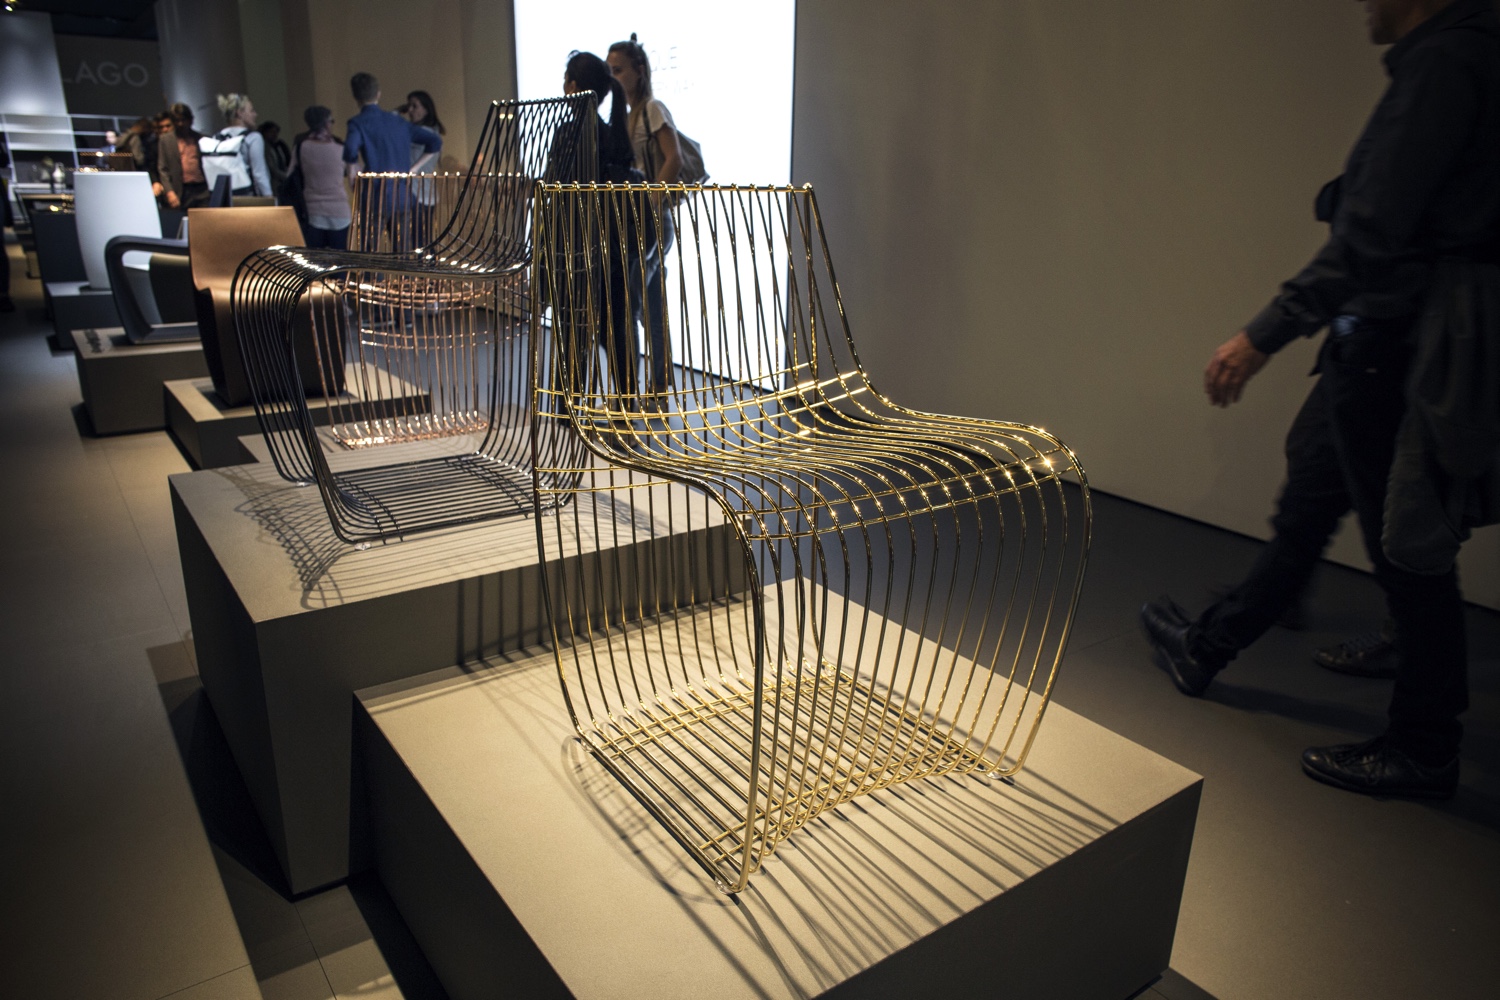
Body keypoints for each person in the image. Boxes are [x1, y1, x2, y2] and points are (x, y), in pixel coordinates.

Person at [1140, 0, 1500, 800]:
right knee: (1312, 491)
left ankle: (1424, 746)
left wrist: (1263, 334)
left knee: (1406, 553)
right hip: (1382, 338)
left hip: (1398, 344)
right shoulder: (1458, 55)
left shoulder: (1447, 61)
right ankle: (1209, 647)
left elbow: (1371, 231)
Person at [549, 51, 642, 397]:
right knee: (614, 330)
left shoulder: (568, 135)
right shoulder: (612, 135)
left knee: (572, 330)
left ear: (573, 87)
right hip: (611, 249)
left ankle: (570, 408)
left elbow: (556, 190)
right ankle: (626, 404)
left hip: (574, 249)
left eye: (566, 81)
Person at [607, 34, 681, 393]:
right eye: (609, 71)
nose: (613, 77)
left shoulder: (652, 109)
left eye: (618, 70)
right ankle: (657, 383)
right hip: (636, 220)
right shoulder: (623, 115)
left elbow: (674, 157)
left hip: (652, 220)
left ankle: (638, 388)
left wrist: (651, 199)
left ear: (639, 70)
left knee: (632, 301)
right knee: (651, 306)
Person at [343, 72, 441, 251]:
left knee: (369, 250)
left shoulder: (358, 123)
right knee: (402, 251)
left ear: (355, 96)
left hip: (374, 196)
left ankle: (372, 271)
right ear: (378, 94)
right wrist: (413, 169)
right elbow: (435, 142)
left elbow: (350, 149)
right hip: (401, 194)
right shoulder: (398, 122)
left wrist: (351, 169)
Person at [288, 106, 351, 249]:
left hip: (312, 212)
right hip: (339, 211)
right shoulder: (340, 147)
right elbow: (353, 172)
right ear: (326, 123)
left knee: (316, 260)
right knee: (341, 258)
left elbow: (290, 173)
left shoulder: (301, 146)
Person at [202, 93, 273, 198]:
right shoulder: (253, 138)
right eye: (251, 111)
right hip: (246, 197)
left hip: (223, 197)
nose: (255, 114)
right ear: (240, 113)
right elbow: (259, 174)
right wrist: (269, 197)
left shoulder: (217, 137)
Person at [402, 90, 445, 247]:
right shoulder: (432, 131)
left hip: (417, 191)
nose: (410, 110)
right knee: (423, 239)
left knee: (418, 240)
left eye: (415, 106)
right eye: (409, 106)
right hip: (426, 191)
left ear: (426, 109)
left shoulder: (425, 133)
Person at [157, 102, 209, 209]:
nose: (180, 124)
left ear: (190, 120)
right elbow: (163, 169)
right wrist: (169, 192)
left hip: (202, 188)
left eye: (183, 120)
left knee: (205, 217)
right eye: (177, 120)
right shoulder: (166, 140)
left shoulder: (202, 139)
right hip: (181, 189)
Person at [258, 121, 292, 192]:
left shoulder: (280, 145)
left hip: (284, 181)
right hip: (273, 182)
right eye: (271, 132)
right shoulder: (263, 147)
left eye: (276, 132)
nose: (274, 134)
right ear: (265, 133)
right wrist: (285, 176)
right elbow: (271, 168)